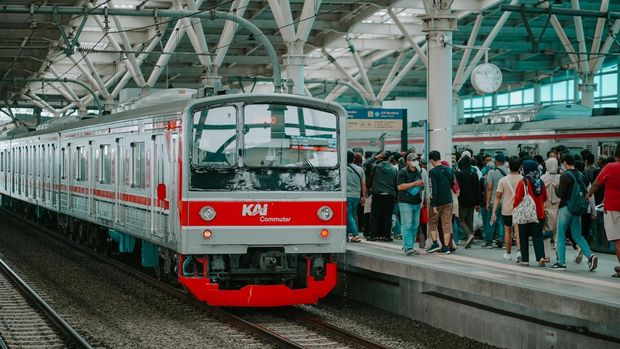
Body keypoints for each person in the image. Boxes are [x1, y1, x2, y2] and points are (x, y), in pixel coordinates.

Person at [549, 153, 598, 271]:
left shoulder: (565, 176)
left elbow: (561, 194)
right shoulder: (582, 175)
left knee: (561, 234)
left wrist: (556, 188)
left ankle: (561, 263)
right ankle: (590, 256)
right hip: (577, 209)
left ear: (565, 162)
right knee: (577, 235)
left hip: (566, 208)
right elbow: (588, 192)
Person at [587, 144, 620, 277]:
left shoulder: (610, 167)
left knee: (618, 240)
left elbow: (596, 183)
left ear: (615, 154)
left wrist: (588, 194)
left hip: (612, 208)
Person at [513, 160, 547, 266]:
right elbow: (545, 197)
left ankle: (525, 260)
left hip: (526, 214)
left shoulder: (523, 182)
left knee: (523, 237)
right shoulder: (540, 182)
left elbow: (518, 198)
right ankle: (541, 257)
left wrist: (514, 207)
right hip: (539, 214)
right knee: (538, 236)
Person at [491, 157, 523, 261]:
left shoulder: (503, 180)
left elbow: (498, 196)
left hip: (507, 209)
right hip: (520, 208)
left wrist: (494, 211)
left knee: (508, 231)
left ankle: (508, 253)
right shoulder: (523, 179)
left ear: (509, 167)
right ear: (519, 167)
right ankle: (519, 252)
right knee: (518, 231)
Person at [426, 151, 454, 254]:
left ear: (432, 160)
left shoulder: (432, 172)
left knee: (432, 222)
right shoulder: (448, 169)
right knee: (446, 224)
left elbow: (433, 188)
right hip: (448, 200)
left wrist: (433, 204)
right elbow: (452, 182)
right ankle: (446, 247)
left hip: (437, 202)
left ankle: (435, 243)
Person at [397, 153, 425, 255]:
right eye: (413, 160)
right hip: (405, 202)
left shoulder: (418, 171)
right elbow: (400, 187)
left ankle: (409, 245)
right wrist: (414, 184)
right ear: (408, 161)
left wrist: (421, 186)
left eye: (416, 160)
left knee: (415, 225)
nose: (415, 162)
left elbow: (420, 185)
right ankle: (408, 247)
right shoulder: (402, 172)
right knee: (407, 225)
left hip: (416, 202)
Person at [368, 151, 398, 242]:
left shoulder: (375, 167)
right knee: (387, 216)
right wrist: (396, 195)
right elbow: (396, 183)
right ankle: (386, 236)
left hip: (377, 194)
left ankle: (373, 235)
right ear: (389, 159)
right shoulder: (394, 170)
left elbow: (367, 164)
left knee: (375, 216)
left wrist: (375, 157)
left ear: (380, 158)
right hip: (389, 195)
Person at [455, 155, 480, 248]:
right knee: (470, 220)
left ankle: (469, 235)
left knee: (461, 219)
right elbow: (477, 189)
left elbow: (457, 188)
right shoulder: (474, 174)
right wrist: (478, 203)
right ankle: (470, 238)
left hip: (462, 200)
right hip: (472, 201)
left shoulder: (459, 174)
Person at [486, 153, 508, 248]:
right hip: (505, 201)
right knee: (502, 221)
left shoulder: (491, 172)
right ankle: (501, 240)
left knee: (491, 221)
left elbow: (489, 188)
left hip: (494, 200)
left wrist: (487, 201)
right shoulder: (508, 172)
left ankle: (489, 242)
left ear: (497, 162)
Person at [541, 157, 561, 263]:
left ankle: (547, 255)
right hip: (558, 209)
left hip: (546, 208)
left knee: (546, 234)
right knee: (557, 233)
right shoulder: (560, 177)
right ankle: (559, 253)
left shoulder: (543, 178)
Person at [346, 151, 366, 243]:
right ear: (353, 159)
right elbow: (363, 184)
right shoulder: (360, 169)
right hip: (356, 196)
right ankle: (345, 235)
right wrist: (363, 196)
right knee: (351, 215)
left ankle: (355, 234)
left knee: (348, 215)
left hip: (347, 195)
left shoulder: (343, 168)